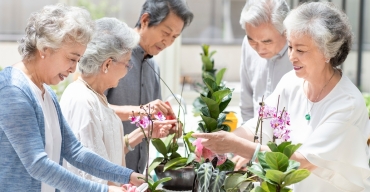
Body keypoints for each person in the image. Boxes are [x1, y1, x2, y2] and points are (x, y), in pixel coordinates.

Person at [193, 2, 370, 191]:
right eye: (290, 47)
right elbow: (259, 125)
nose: (292, 56)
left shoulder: (346, 104)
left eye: (300, 50)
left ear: (327, 52)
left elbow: (302, 161)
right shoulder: (291, 81)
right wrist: (218, 143)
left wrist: (237, 146)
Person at [0, 4, 143, 192]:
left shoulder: (47, 93)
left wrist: (127, 175)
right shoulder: (13, 89)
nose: (73, 69)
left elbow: (75, 151)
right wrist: (105, 190)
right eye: (72, 58)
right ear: (45, 48)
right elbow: (38, 165)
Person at [60, 17, 177, 186]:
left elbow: (105, 156)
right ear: (107, 64)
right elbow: (89, 173)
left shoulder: (95, 97)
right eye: (127, 64)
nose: (128, 70)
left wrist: (143, 132)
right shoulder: (82, 101)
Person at [106, 0, 194, 173]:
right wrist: (141, 110)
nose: (168, 42)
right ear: (145, 20)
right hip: (105, 173)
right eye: (165, 32)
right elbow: (92, 109)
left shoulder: (154, 67)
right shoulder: (113, 55)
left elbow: (150, 121)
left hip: (136, 176)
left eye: (174, 37)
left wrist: (167, 125)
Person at [235, 0, 292, 170]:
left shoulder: (301, 54)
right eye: (252, 40)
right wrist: (247, 147)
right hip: (254, 158)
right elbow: (246, 104)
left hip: (290, 160)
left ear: (285, 31)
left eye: (267, 42)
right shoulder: (247, 45)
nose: (259, 49)